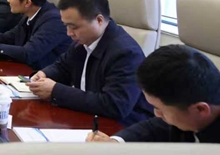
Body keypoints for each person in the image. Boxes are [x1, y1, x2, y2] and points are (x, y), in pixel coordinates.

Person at [28, 0, 153, 125]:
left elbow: (114, 105)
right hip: (87, 118)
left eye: (74, 27)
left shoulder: (126, 53)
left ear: (99, 20)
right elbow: (63, 67)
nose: (69, 33)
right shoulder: (82, 41)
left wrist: (55, 91)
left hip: (118, 128)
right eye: (66, 26)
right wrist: (44, 74)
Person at [88, 45, 220, 143]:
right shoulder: (186, 109)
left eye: (159, 109)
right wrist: (116, 142)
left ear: (200, 109)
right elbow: (155, 126)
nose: (156, 114)